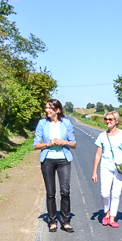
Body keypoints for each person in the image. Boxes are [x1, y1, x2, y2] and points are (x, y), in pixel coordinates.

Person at [33, 99, 77, 233]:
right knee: (50, 193)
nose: (47, 110)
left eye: (49, 108)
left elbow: (73, 144)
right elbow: (35, 145)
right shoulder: (42, 123)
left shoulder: (67, 123)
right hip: (48, 161)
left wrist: (63, 142)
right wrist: (48, 144)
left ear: (57, 110)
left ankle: (66, 221)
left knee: (65, 191)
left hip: (63, 160)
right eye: (46, 108)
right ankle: (52, 221)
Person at [92, 111, 122, 228]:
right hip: (106, 167)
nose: (108, 121)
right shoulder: (102, 136)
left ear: (117, 121)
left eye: (110, 119)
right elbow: (98, 154)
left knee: (115, 194)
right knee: (104, 193)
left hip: (120, 169)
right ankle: (106, 212)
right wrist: (94, 171)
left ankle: (112, 218)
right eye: (106, 119)